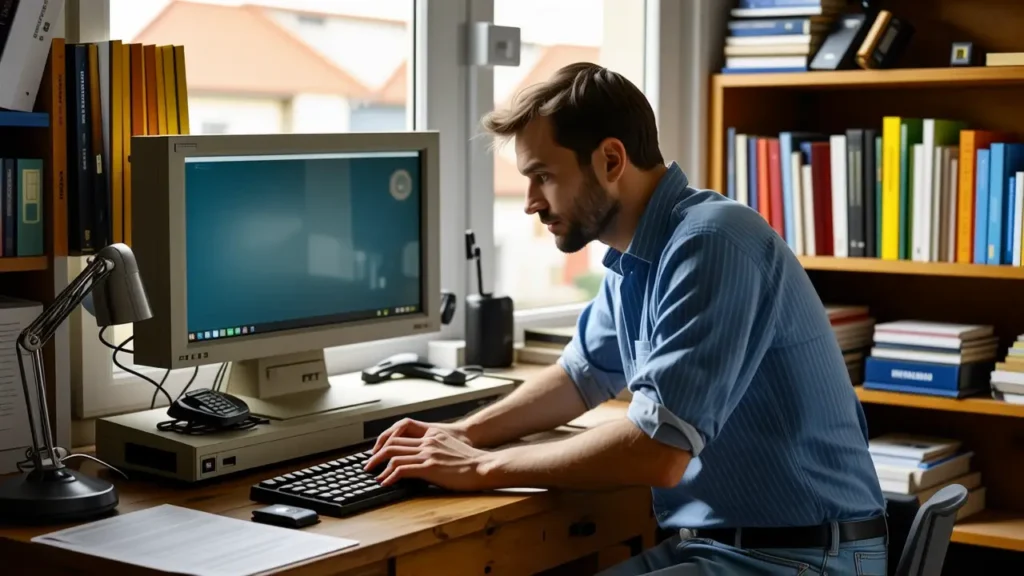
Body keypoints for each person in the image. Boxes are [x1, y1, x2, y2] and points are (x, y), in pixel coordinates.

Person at [364, 62, 888, 575]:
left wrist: (479, 468)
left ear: (611, 160)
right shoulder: (636, 257)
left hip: (805, 557)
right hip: (723, 545)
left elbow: (656, 451)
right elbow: (579, 375)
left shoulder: (712, 243)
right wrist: (463, 434)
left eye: (542, 176)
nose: (529, 203)